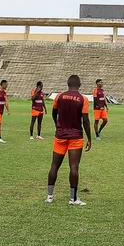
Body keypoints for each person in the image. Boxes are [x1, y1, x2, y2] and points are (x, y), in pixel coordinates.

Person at [46, 74, 93, 206]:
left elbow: (54, 114)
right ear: (79, 85)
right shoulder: (82, 99)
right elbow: (86, 121)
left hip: (60, 136)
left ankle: (49, 196)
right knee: (73, 167)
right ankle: (73, 199)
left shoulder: (59, 96)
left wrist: (58, 126)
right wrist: (89, 138)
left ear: (67, 83)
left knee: (54, 166)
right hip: (75, 137)